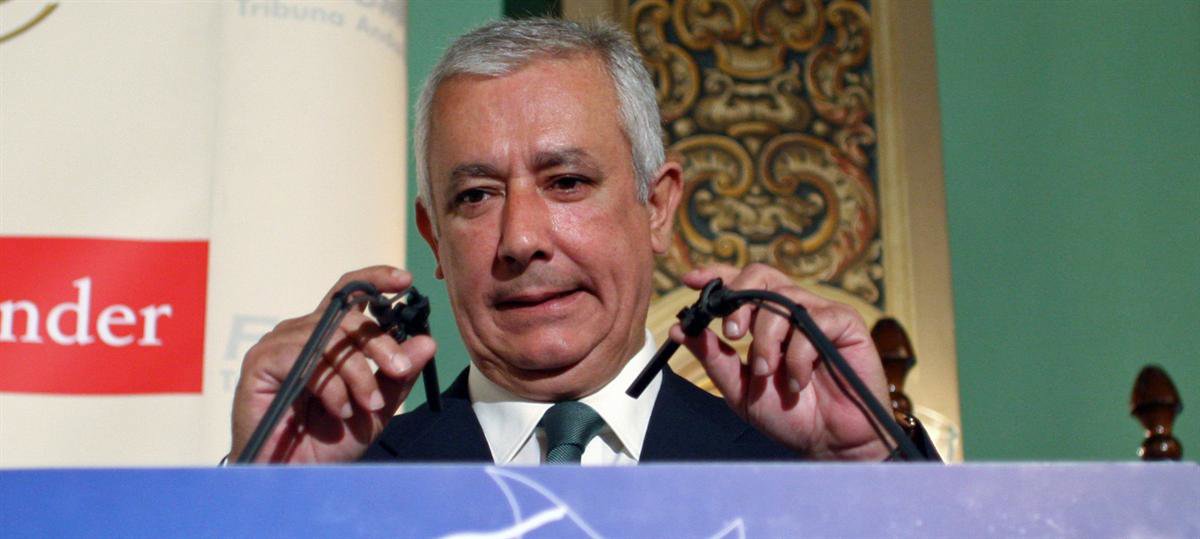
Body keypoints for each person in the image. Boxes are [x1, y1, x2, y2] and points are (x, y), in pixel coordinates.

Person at [229, 18, 929, 465]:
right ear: (434, 239)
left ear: (657, 206)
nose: (520, 238)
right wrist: (258, 502)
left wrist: (876, 466)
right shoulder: (333, 484)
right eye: (476, 196)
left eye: (566, 182)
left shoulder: (812, 471)